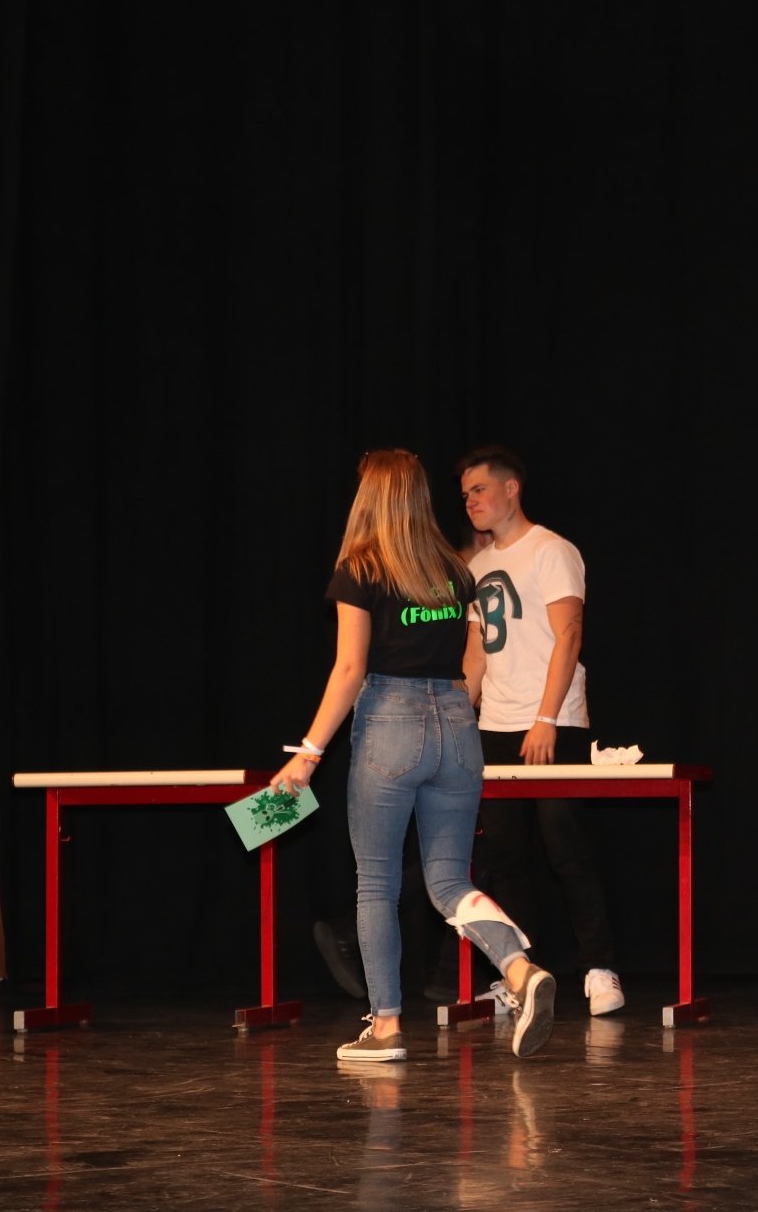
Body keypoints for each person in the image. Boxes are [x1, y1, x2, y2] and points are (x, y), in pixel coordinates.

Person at [271, 449, 554, 1061]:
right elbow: (472, 655)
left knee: (376, 883)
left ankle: (387, 1028)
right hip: (457, 721)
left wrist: (308, 753)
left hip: (391, 722)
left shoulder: (362, 567)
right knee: (449, 879)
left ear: (370, 498)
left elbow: (350, 669)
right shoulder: (454, 569)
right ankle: (519, 967)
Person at [457, 446, 624, 1017]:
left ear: (511, 489)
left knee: (566, 847)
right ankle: (522, 974)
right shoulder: (477, 566)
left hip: (552, 721)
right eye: (466, 494)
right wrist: (458, 716)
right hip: (496, 725)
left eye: (480, 489)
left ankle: (599, 967)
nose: (471, 501)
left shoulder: (552, 550)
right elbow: (477, 651)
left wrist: (546, 718)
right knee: (503, 858)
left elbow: (569, 634)